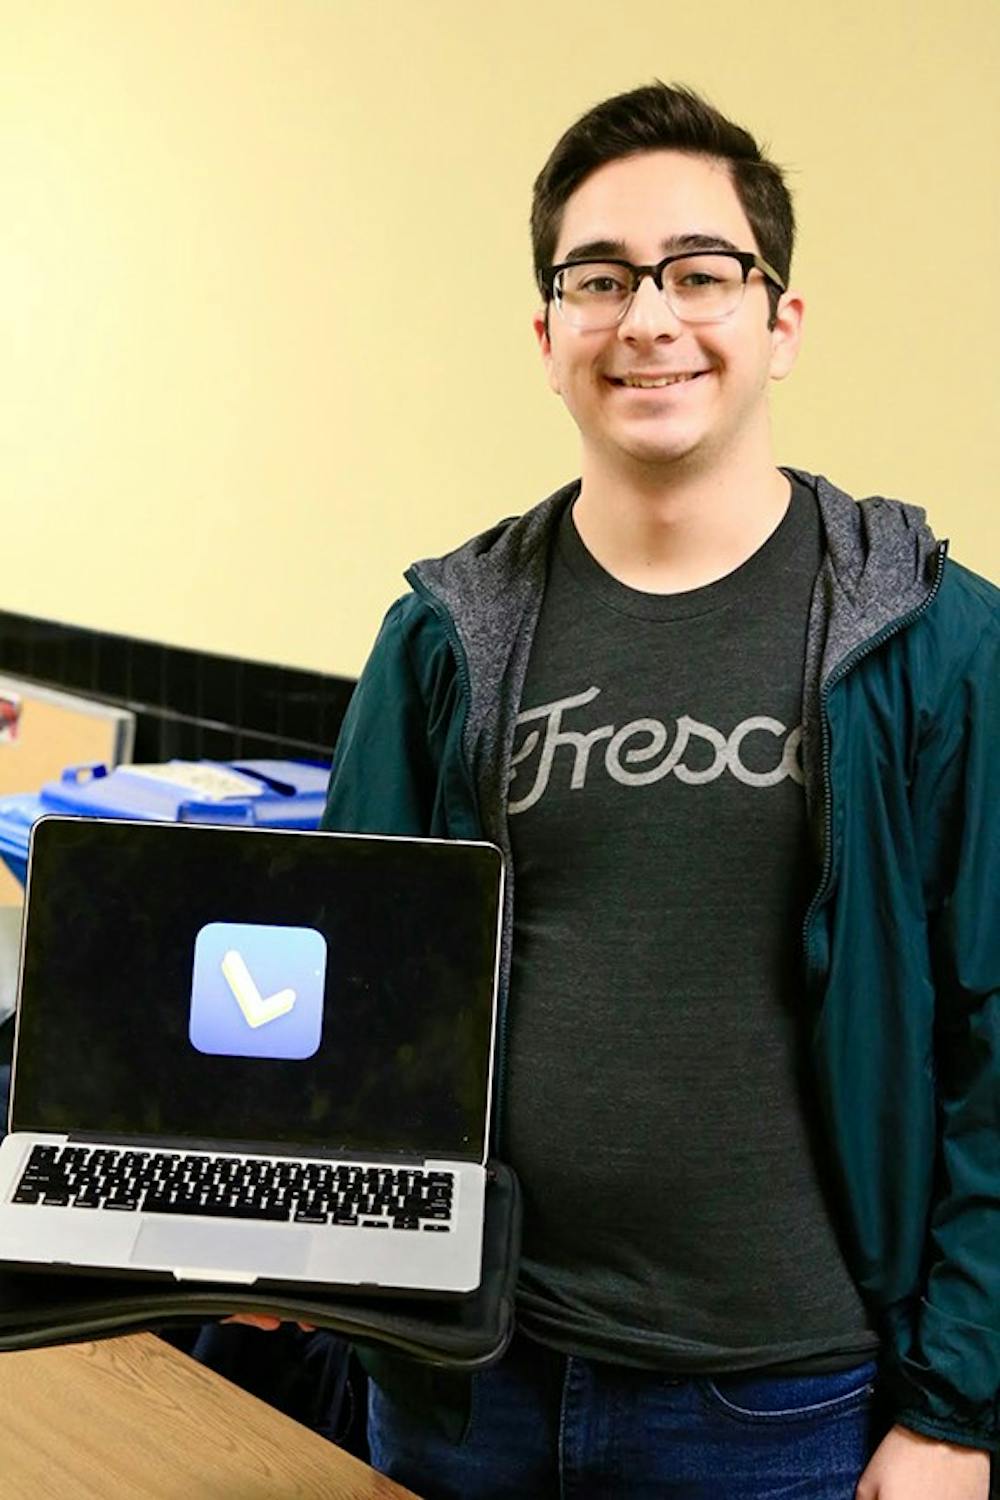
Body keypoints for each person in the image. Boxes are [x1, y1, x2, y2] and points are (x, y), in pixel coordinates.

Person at [312, 81, 999, 1497]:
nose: (650, 319)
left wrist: (958, 1412)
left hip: (782, 1410)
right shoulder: (444, 640)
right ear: (548, 331)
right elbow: (338, 989)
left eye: (701, 273)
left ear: (780, 322)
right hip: (465, 1383)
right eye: (602, 279)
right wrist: (292, 1247)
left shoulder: (934, 643)